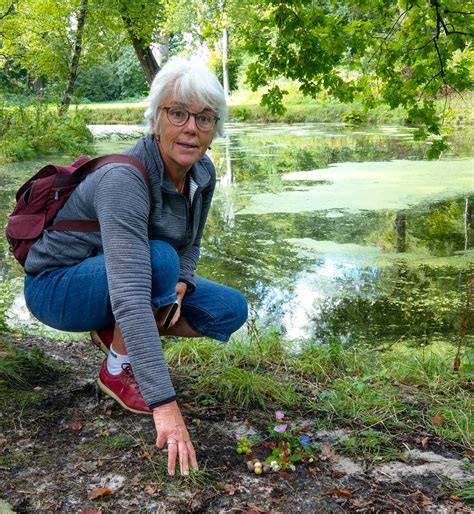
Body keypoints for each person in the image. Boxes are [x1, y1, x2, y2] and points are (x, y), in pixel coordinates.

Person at [23, 57, 248, 476]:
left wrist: (183, 280)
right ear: (156, 119)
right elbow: (130, 289)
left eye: (203, 117)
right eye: (177, 112)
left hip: (123, 276)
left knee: (229, 309)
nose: (191, 128)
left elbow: (191, 242)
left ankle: (116, 334)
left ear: (215, 126)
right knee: (158, 258)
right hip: (58, 287)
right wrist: (165, 405)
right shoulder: (126, 178)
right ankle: (116, 370)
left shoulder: (203, 172)